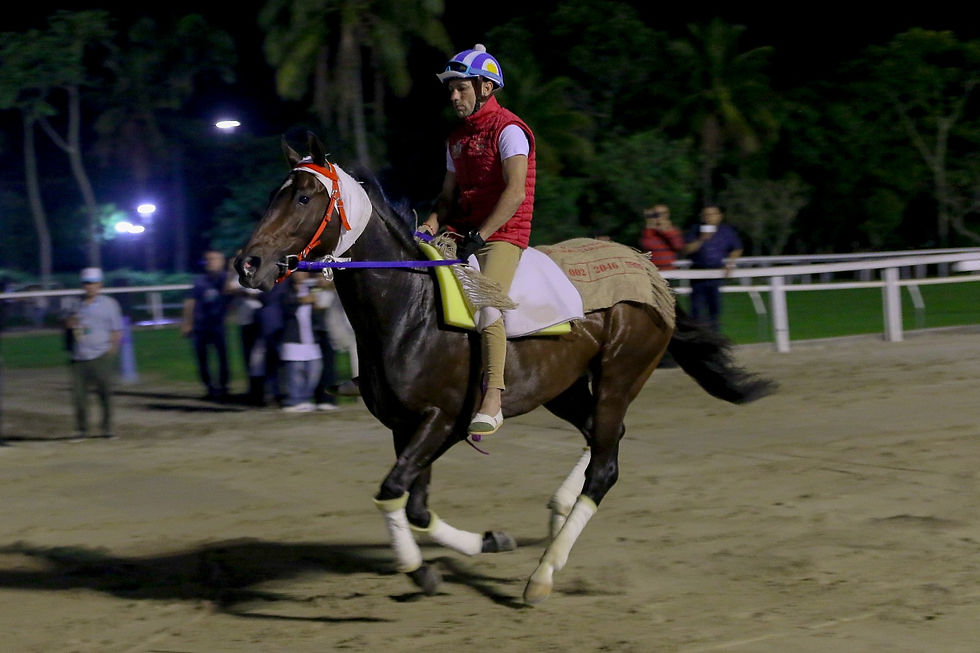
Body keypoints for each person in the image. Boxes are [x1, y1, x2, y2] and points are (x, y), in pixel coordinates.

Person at [419, 43, 536, 438]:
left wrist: (479, 236)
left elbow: (516, 192)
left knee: (488, 305)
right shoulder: (455, 139)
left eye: (461, 88)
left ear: (486, 87)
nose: (454, 96)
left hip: (503, 234)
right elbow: (447, 198)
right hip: (464, 228)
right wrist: (430, 226)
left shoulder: (511, 131)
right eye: (450, 89)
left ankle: (493, 399)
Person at [65, 267, 123, 440]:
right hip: (79, 357)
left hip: (101, 355)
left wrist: (112, 350)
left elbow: (117, 329)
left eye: (92, 283)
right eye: (86, 283)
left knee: (105, 393)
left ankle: (107, 428)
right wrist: (70, 323)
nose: (89, 287)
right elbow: (68, 325)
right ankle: (81, 429)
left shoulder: (110, 304)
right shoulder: (75, 304)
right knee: (79, 397)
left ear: (100, 284)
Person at [682, 204, 743, 331]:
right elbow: (687, 250)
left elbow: (737, 248)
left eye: (712, 214)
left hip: (716, 273)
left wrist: (730, 263)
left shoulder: (726, 231)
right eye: (706, 215)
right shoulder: (695, 230)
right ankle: (697, 339)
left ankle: (715, 339)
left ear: (719, 216)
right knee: (696, 311)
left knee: (714, 311)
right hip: (698, 273)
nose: (709, 218)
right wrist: (702, 238)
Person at [181, 249, 231, 400]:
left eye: (215, 259)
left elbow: (230, 291)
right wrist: (187, 323)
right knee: (202, 359)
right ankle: (209, 387)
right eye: (208, 259)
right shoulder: (199, 280)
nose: (211, 262)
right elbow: (190, 301)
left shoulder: (225, 279)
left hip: (217, 325)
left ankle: (223, 386)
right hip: (200, 326)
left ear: (222, 262)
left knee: (222, 358)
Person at [279, 271, 323, 412]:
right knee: (295, 372)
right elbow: (286, 305)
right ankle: (295, 400)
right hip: (294, 339)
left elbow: (318, 306)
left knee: (314, 371)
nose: (300, 275)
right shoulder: (286, 290)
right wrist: (303, 300)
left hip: (311, 339)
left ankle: (305, 398)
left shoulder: (312, 288)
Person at [640, 204, 684, 270]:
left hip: (670, 269)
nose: (660, 216)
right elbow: (646, 246)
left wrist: (666, 231)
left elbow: (678, 246)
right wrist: (650, 226)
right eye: (656, 214)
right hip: (653, 269)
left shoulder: (674, 230)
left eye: (663, 213)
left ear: (668, 214)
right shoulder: (649, 231)